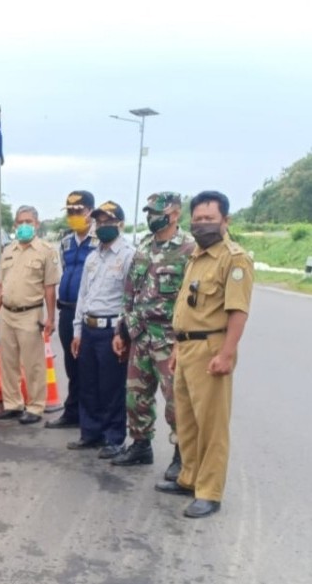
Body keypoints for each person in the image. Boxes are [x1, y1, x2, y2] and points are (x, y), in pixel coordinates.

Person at [154, 191, 253, 519]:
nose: (202, 224)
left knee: (211, 424)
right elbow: (187, 307)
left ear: (226, 221)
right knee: (188, 419)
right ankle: (189, 478)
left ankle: (209, 492)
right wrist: (177, 349)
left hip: (212, 349)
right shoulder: (197, 256)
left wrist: (227, 354)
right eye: (197, 219)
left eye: (209, 219)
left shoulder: (233, 259)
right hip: (186, 348)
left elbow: (238, 311)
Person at [111, 192, 195, 478]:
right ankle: (140, 445)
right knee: (136, 395)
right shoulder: (144, 246)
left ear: (175, 214)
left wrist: (183, 341)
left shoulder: (188, 250)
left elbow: (191, 300)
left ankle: (182, 455)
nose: (151, 217)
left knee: (175, 400)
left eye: (157, 212)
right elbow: (130, 291)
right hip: (140, 333)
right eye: (149, 212)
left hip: (168, 338)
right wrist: (123, 329)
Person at [69, 201, 135, 458]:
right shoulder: (93, 257)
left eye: (108, 222)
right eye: (99, 222)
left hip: (111, 331)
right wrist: (77, 331)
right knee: (88, 384)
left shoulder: (129, 255)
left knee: (111, 387)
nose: (103, 226)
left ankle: (113, 438)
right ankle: (91, 432)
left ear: (120, 224)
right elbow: (82, 296)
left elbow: (130, 299)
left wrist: (122, 332)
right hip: (89, 327)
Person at [0, 205, 60, 424]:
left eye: (29, 221)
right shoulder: (8, 251)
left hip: (30, 314)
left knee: (33, 364)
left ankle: (36, 407)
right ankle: (13, 404)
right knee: (8, 363)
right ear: (15, 225)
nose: (24, 226)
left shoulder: (46, 251)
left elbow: (49, 288)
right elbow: (0, 287)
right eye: (21, 222)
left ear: (37, 224)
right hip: (7, 314)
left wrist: (51, 318)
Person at [46, 191, 97, 429]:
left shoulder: (100, 241)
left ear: (90, 212)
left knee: (89, 367)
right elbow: (67, 271)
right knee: (71, 365)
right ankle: (72, 412)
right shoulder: (66, 242)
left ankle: (90, 417)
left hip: (88, 313)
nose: (73, 216)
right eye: (70, 212)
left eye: (78, 211)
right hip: (67, 311)